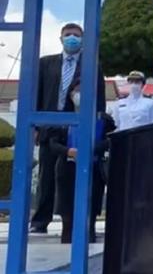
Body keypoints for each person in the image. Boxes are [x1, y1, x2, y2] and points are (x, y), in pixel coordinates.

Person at [31, 23, 106, 234]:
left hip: (77, 128)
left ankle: (75, 220)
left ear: (82, 40)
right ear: (60, 38)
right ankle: (40, 221)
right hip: (50, 124)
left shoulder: (91, 65)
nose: (72, 38)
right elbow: (36, 93)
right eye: (68, 35)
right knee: (46, 175)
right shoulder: (46, 64)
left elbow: (99, 99)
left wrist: (97, 127)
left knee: (74, 174)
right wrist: (35, 125)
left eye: (76, 35)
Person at [46, 80, 115, 243]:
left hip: (94, 168)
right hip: (67, 168)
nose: (80, 95)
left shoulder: (103, 118)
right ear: (70, 95)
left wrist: (91, 148)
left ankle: (89, 235)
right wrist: (68, 151)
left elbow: (110, 140)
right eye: (76, 91)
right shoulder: (62, 118)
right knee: (67, 209)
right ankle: (67, 238)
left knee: (90, 207)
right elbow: (53, 144)